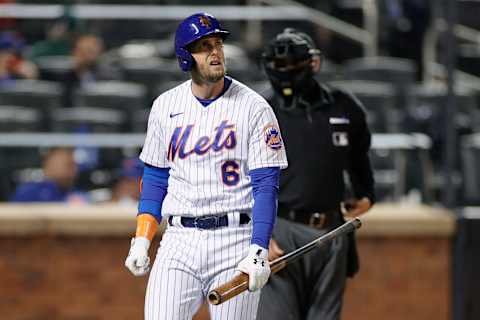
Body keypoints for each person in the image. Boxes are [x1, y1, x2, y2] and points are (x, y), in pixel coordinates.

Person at [124, 13, 288, 320]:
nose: (215, 52)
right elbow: (156, 177)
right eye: (204, 46)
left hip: (235, 238)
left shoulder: (254, 107)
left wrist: (258, 249)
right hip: (179, 240)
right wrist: (142, 238)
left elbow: (266, 184)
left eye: (217, 44)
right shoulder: (165, 106)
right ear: (186, 58)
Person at [256, 28, 375, 320]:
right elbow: (241, 178)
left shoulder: (344, 106)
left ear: (313, 63)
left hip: (332, 229)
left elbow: (359, 156)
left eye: (292, 63)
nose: (286, 71)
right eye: (279, 65)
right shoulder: (259, 110)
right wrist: (256, 235)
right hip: (280, 229)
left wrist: (366, 193)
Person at [9, 147, 85, 202]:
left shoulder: (78, 196)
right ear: (48, 164)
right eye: (68, 165)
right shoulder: (28, 193)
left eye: (74, 165)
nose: (74, 170)